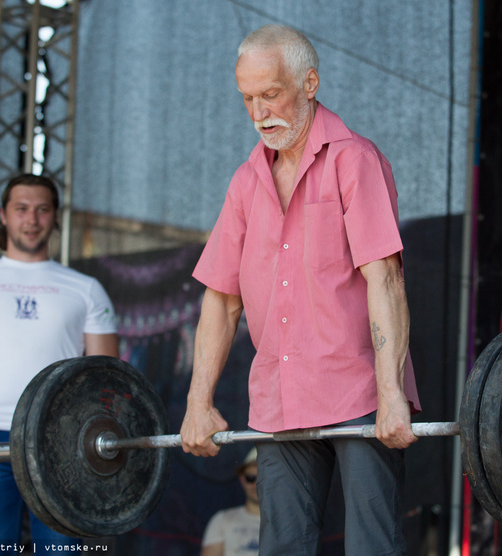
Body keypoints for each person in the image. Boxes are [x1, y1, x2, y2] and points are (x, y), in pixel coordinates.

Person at [181, 24, 421, 555]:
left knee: (371, 548)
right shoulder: (246, 181)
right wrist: (198, 402)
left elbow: (385, 278)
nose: (258, 111)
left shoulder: (354, 160)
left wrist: (390, 395)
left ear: (309, 82)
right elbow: (221, 300)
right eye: (247, 98)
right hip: (278, 399)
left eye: (271, 94)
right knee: (281, 548)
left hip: (359, 392)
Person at [0, 174, 119, 552]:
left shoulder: (86, 289)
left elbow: (106, 381)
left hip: (62, 442)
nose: (31, 219)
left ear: (55, 217)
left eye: (42, 209)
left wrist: (96, 451)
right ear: (3, 215)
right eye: (21, 209)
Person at [201, 448, 261, 556]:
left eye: (262, 478)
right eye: (251, 478)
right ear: (242, 480)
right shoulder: (222, 520)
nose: (256, 484)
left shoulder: (287, 522)